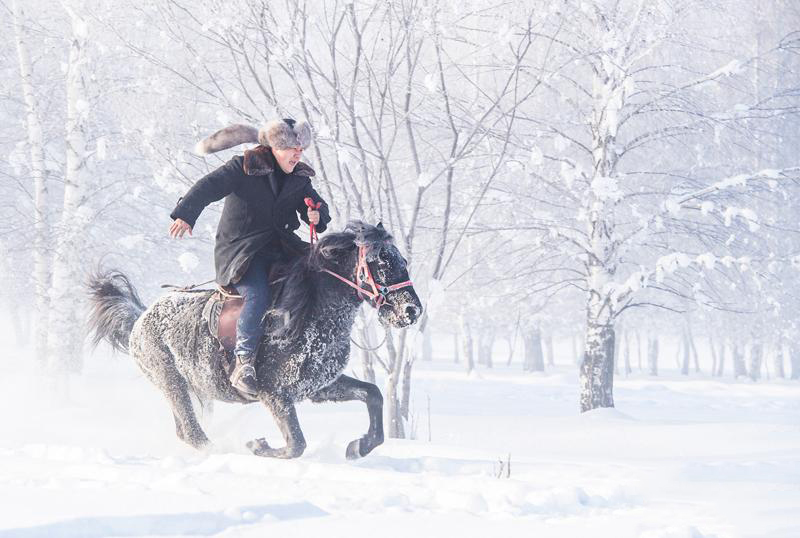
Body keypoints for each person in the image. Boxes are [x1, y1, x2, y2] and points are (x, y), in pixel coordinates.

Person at [168, 118, 331, 395]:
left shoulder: (299, 178)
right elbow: (207, 187)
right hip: (242, 252)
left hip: (281, 248)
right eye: (291, 149)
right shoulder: (243, 167)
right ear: (275, 147)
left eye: (300, 150)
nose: (297, 155)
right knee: (257, 294)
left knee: (319, 273)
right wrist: (186, 214)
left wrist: (317, 215)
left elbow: (316, 206)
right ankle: (243, 362)